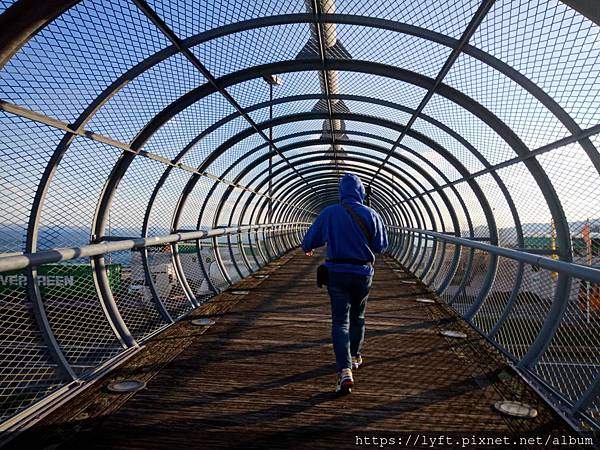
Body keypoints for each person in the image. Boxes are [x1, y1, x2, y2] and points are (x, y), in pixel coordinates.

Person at [301, 173, 388, 394]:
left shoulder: (329, 213)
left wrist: (309, 247)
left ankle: (345, 371)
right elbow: (381, 246)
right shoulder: (371, 214)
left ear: (341, 192)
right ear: (360, 192)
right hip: (362, 273)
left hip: (337, 272)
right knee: (358, 316)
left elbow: (309, 241)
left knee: (340, 321)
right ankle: (356, 355)